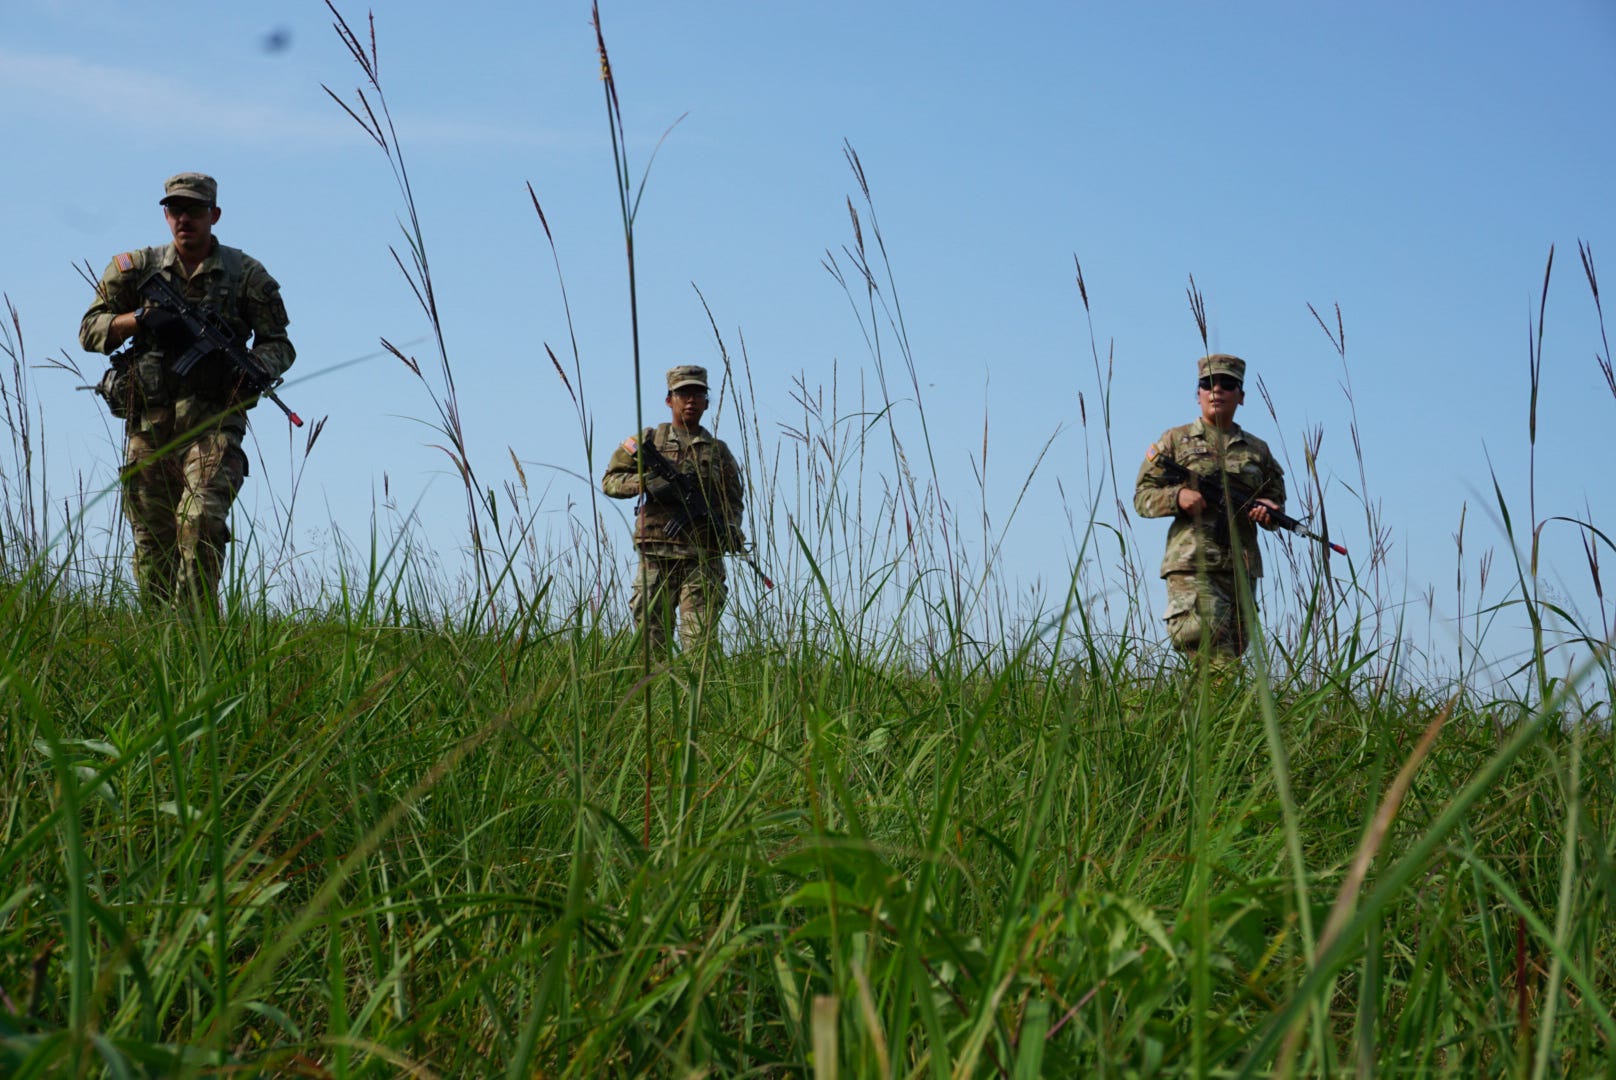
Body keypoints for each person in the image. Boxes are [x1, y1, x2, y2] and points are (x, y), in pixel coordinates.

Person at [80, 172, 295, 613]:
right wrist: (138, 319)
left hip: (215, 422)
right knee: (152, 544)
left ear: (214, 215)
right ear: (165, 215)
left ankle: (196, 633)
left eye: (195, 211)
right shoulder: (136, 268)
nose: (184, 219)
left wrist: (253, 369)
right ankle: (160, 643)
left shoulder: (246, 274)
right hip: (150, 426)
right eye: (175, 210)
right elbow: (90, 330)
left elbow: (280, 344)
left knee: (199, 524)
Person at [1133, 353, 1286, 659]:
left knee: (1230, 657)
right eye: (1208, 383)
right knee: (1215, 660)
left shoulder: (1258, 450)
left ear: (1241, 396)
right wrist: (1177, 497)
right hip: (1193, 565)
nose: (1217, 390)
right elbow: (1142, 497)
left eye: (1227, 384)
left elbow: (1275, 497)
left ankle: (1193, 709)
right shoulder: (1175, 441)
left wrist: (1269, 512)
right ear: (1198, 393)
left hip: (1241, 570)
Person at [601, 365, 746, 653]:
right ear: (670, 399)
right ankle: (651, 695)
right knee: (650, 641)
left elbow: (733, 502)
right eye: (683, 393)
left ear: (707, 402)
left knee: (700, 646)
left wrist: (729, 530)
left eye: (698, 393)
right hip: (656, 556)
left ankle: (699, 698)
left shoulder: (718, 451)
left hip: (702, 558)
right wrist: (644, 483)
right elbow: (610, 481)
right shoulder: (648, 440)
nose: (691, 400)